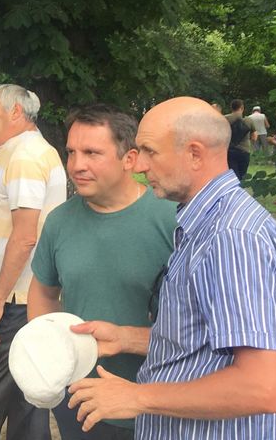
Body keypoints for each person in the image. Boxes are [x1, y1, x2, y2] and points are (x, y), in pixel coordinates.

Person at [67, 97, 276, 439]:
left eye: (149, 152)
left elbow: (260, 387)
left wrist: (137, 397)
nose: (140, 165)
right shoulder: (208, 224)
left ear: (194, 154)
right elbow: (203, 342)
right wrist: (124, 338)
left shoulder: (231, 238)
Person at [28, 105, 176, 440]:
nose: (76, 165)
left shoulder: (173, 220)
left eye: (92, 153)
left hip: (158, 405)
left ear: (130, 159)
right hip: (81, 404)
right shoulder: (59, 221)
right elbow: (43, 291)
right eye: (71, 152)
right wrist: (48, 351)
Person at [0, 84, 66, 440]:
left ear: (16, 112)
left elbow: (24, 237)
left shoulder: (25, 158)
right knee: (26, 393)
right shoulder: (24, 151)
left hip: (17, 300)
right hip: (30, 295)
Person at [224, 99, 257, 181]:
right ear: (242, 108)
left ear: (231, 108)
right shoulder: (248, 120)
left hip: (230, 150)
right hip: (244, 150)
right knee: (242, 175)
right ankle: (241, 186)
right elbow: (254, 137)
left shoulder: (225, 119)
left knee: (232, 175)